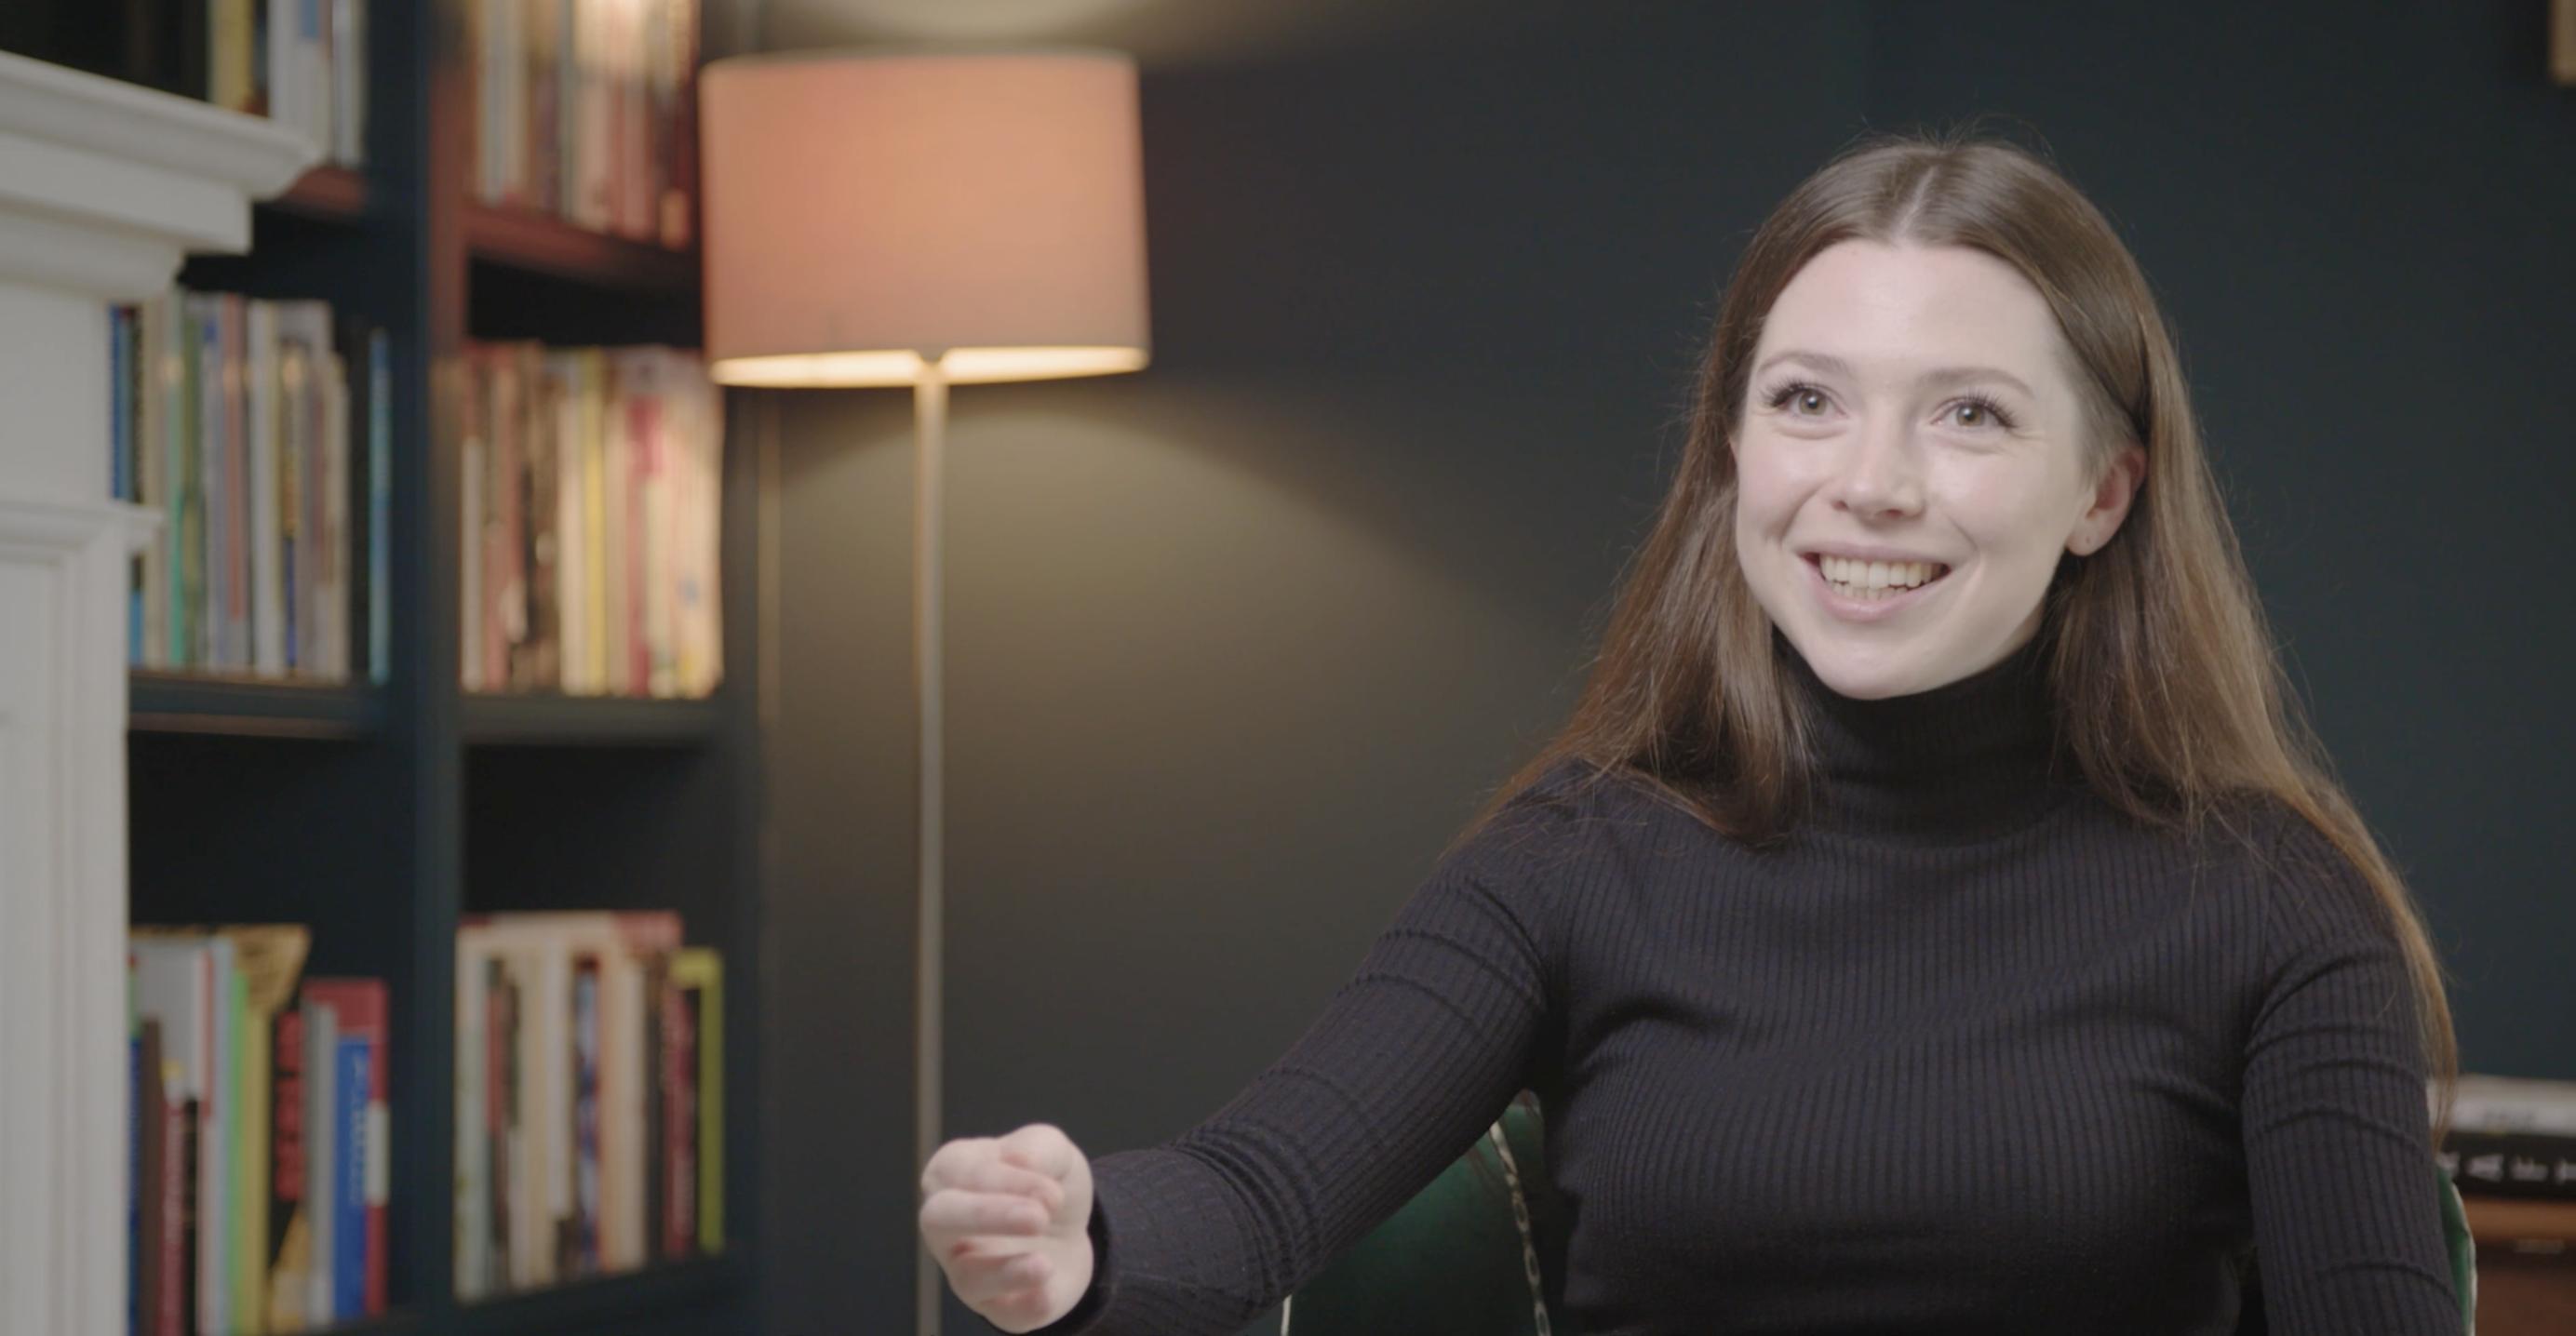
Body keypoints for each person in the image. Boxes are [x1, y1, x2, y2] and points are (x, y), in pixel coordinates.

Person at [917, 127, 2463, 1335]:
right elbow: (1258, 1193)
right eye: (1807, 401)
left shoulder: (2276, 903)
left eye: (1970, 414)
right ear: (1731, 453)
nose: (1870, 484)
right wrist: (1077, 1236)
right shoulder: (1578, 857)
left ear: (2104, 495)